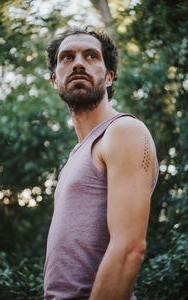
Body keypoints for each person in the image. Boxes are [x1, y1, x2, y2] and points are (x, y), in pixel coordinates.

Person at [44, 26, 158, 300]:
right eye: (67, 57)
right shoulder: (76, 155)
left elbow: (129, 249)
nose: (79, 63)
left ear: (108, 77)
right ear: (54, 80)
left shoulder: (123, 131)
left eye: (91, 56)